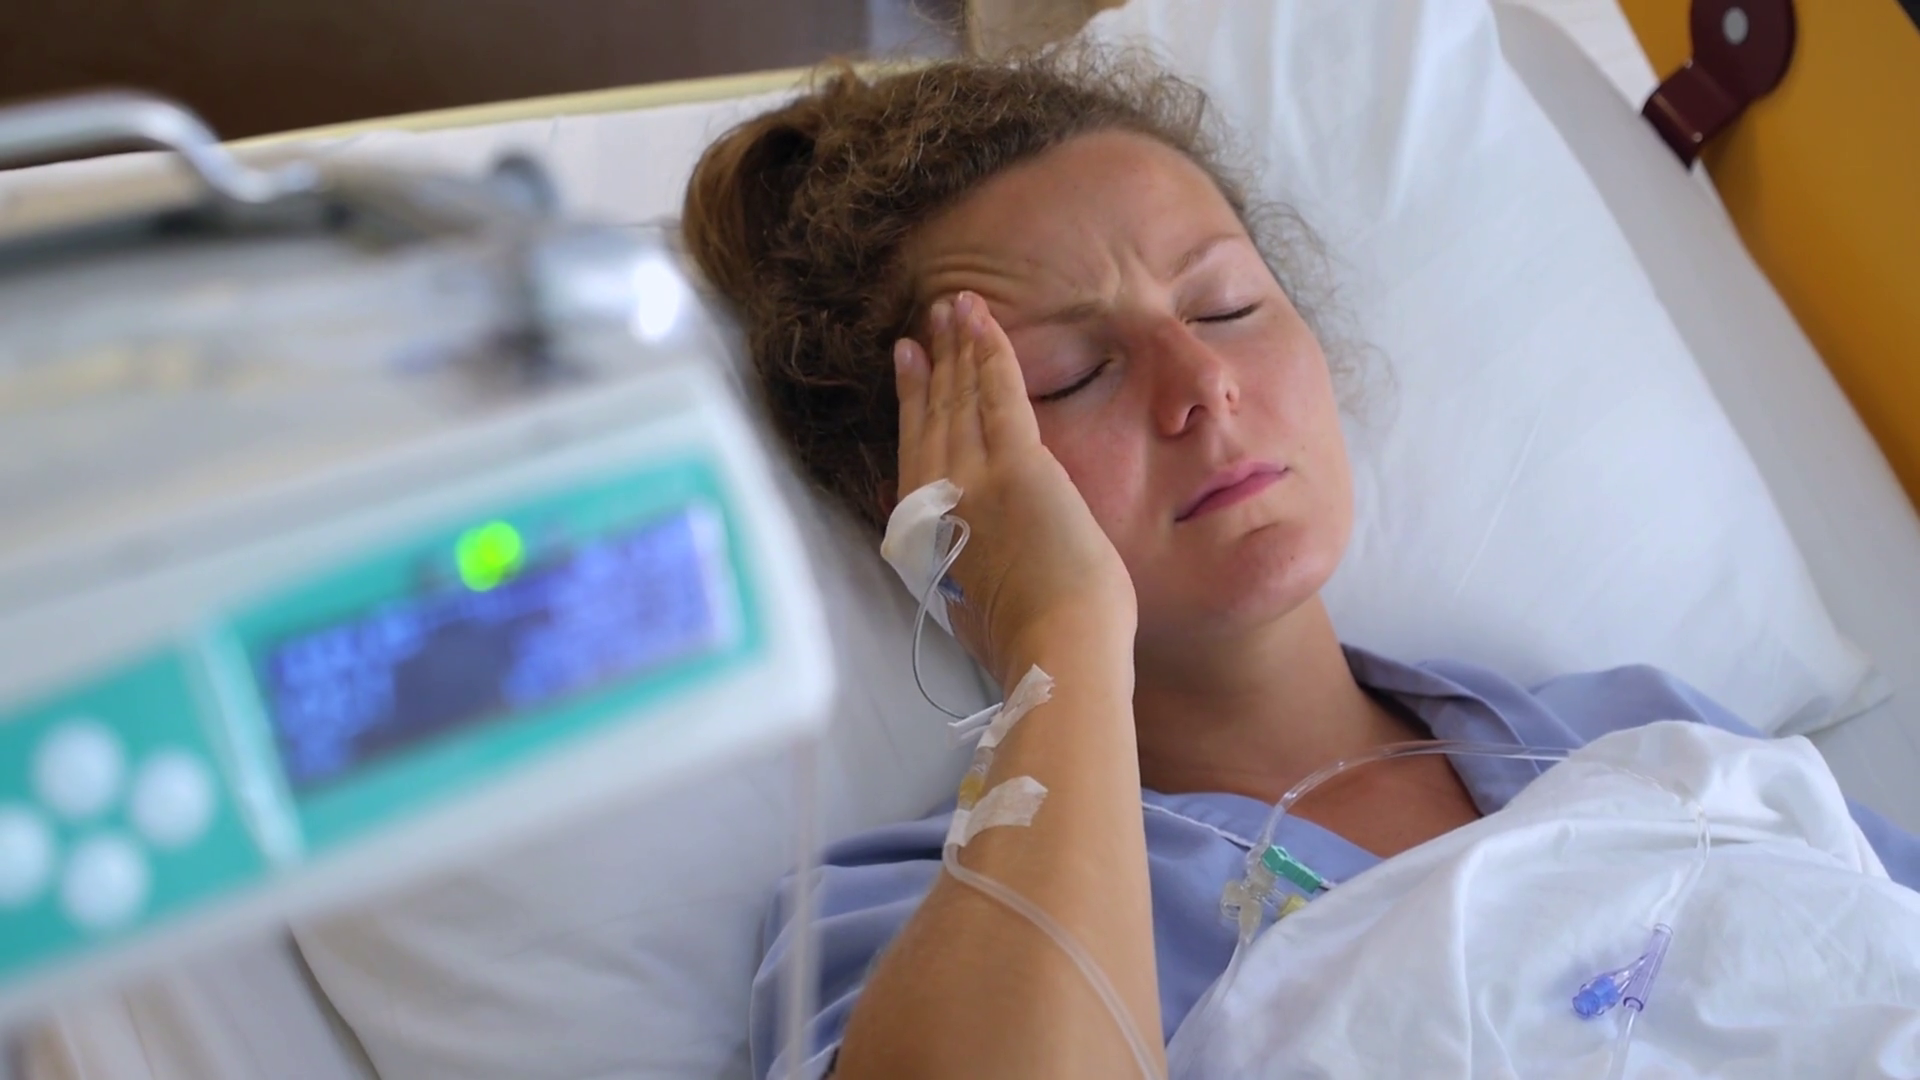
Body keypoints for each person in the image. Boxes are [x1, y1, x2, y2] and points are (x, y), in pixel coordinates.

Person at [681, 48, 1920, 1080]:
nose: (1202, 383)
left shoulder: (1636, 736)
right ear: (929, 509)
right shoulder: (906, 925)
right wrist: (1058, 640)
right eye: (1071, 375)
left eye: (1225, 306)